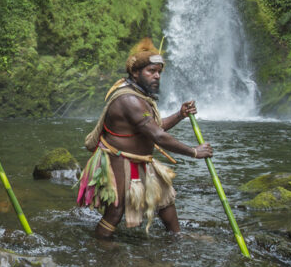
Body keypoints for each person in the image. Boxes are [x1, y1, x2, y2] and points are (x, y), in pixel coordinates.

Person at [77, 38, 213, 238]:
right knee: (116, 210)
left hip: (140, 161)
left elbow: (153, 127)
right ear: (135, 72)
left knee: (165, 198)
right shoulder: (130, 99)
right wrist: (193, 152)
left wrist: (179, 114)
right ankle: (101, 246)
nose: (157, 76)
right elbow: (158, 135)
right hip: (119, 160)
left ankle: (177, 237)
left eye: (159, 71)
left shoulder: (139, 96)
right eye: (151, 71)